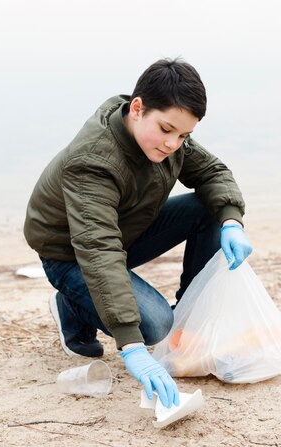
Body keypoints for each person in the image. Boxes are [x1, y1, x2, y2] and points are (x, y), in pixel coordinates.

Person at [24, 58, 253, 409]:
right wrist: (131, 346)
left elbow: (212, 173)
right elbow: (98, 250)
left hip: (125, 230)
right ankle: (71, 304)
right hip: (71, 252)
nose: (173, 144)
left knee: (211, 208)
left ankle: (189, 322)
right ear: (137, 108)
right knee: (155, 325)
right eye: (166, 130)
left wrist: (232, 222)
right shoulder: (92, 163)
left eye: (184, 135)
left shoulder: (164, 136)